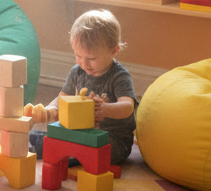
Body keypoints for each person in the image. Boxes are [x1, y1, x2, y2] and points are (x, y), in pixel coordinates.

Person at [33, 9, 137, 166]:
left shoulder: (119, 76)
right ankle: (56, 147)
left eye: (91, 58)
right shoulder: (77, 71)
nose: (84, 63)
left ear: (114, 51)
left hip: (113, 137)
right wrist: (51, 108)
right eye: (78, 56)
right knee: (54, 134)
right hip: (81, 131)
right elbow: (63, 97)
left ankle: (71, 154)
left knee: (100, 150)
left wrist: (106, 109)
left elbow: (128, 107)